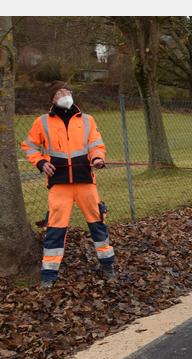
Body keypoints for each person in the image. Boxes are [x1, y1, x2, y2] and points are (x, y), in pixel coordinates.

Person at [21, 81, 115, 288]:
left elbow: (96, 144)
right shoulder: (42, 122)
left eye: (68, 91)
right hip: (59, 184)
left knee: (97, 223)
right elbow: (28, 145)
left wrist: (98, 158)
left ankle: (108, 264)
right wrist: (41, 162)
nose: (65, 94)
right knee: (55, 228)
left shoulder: (88, 120)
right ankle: (48, 275)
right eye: (60, 92)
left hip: (85, 182)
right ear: (52, 98)